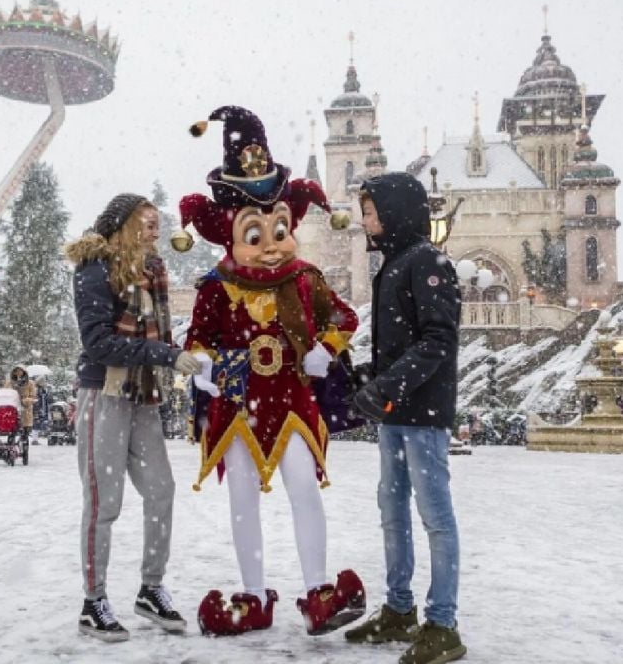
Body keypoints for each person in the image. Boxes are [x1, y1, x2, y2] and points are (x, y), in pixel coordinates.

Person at [179, 105, 365, 637]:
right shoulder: (217, 284)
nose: (272, 243)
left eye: (279, 228)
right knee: (241, 495)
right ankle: (254, 595)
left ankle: (318, 589)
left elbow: (344, 317)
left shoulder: (304, 278)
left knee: (303, 486)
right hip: (238, 397)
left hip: (291, 394)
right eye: (255, 233)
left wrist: (326, 349)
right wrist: (202, 365)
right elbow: (198, 337)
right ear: (231, 235)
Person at [64, 192, 203, 642]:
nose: (154, 229)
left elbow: (157, 332)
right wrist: (165, 353)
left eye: (157, 222)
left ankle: (150, 588)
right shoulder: (94, 269)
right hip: (104, 394)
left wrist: (183, 348)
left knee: (161, 491)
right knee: (104, 502)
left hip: (142, 395)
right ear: (122, 225)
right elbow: (98, 343)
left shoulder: (153, 272)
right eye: (146, 221)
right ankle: (94, 600)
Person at [345, 171, 467, 664]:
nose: (365, 220)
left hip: (423, 411)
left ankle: (443, 624)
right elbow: (397, 341)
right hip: (396, 412)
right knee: (392, 511)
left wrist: (389, 386)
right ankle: (399, 611)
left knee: (434, 515)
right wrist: (365, 377)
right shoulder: (394, 264)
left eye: (370, 211)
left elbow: (438, 339)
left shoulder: (429, 263)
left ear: (394, 211)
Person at [8, 366, 37, 443]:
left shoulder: (30, 383)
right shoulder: (10, 383)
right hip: (13, 408)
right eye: (16, 371)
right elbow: (6, 393)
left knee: (25, 433)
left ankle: (24, 451)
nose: (18, 373)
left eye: (20, 371)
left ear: (24, 372)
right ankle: (11, 447)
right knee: (12, 431)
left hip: (25, 410)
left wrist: (25, 401)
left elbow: (33, 397)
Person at [32, 375, 50, 444]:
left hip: (40, 408)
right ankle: (35, 440)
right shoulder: (38, 389)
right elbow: (40, 399)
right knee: (36, 423)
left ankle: (36, 438)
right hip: (39, 408)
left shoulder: (40, 389)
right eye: (44, 382)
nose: (45, 383)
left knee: (37, 422)